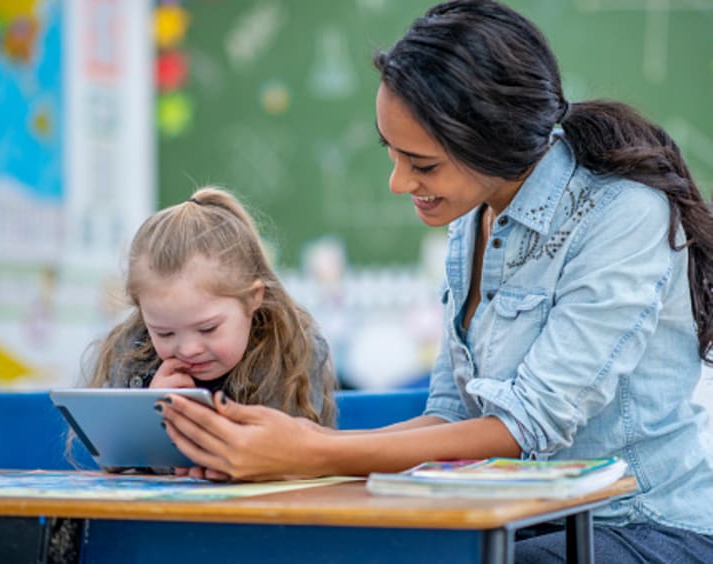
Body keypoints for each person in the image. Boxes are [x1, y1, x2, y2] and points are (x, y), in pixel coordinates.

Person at [154, 1, 713, 560]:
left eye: (422, 165)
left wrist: (311, 452)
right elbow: (453, 415)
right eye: (392, 155)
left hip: (641, 525)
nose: (399, 183)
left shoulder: (623, 214)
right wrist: (299, 446)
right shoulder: (473, 218)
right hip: (523, 521)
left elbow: (527, 426)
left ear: (492, 142)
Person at [83, 186, 336, 428]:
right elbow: (114, 461)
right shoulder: (130, 354)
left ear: (253, 297)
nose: (189, 350)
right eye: (164, 333)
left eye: (208, 329)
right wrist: (150, 415)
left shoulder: (291, 354)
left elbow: (292, 457)